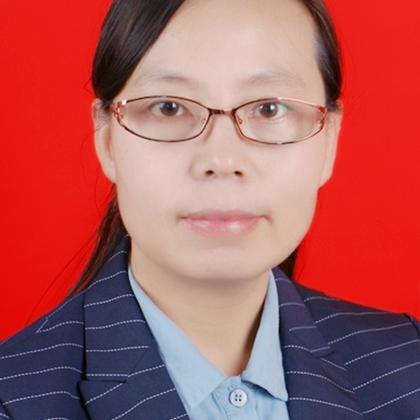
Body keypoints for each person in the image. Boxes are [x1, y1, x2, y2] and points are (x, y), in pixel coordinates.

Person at [0, 0, 419, 418]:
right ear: (107, 139)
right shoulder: (14, 402)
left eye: (269, 108)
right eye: (169, 107)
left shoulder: (409, 365)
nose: (222, 159)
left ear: (329, 141)